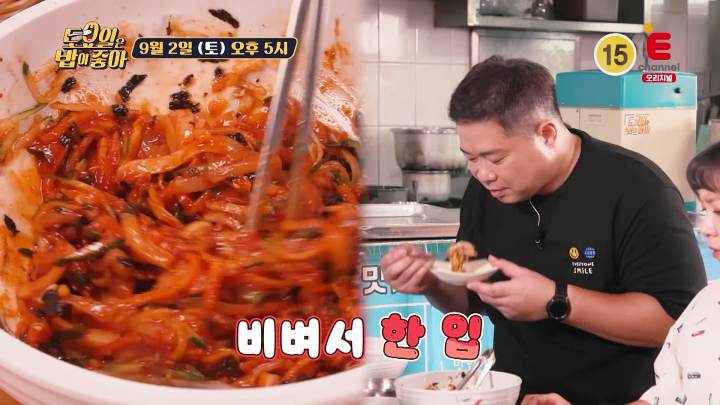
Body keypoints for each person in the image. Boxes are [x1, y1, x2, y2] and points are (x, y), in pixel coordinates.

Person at [379, 56, 707, 404]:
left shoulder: (638, 190)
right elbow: (471, 299)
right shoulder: (484, 190)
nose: (483, 173)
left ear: (547, 134)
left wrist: (556, 301)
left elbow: (680, 322)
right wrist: (431, 282)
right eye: (470, 158)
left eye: (496, 158)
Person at [525, 142, 720, 405]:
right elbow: (666, 397)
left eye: (718, 210)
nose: (707, 227)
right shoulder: (705, 304)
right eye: (705, 211)